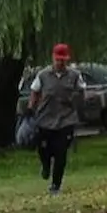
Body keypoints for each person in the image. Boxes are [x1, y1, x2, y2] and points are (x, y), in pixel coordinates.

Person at [27, 43, 86, 195]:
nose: (60, 63)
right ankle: (46, 166)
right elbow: (35, 91)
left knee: (61, 153)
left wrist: (79, 106)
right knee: (43, 148)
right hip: (45, 118)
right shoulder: (43, 75)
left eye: (63, 60)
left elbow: (81, 91)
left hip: (65, 120)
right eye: (58, 60)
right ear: (53, 58)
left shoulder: (74, 75)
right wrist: (30, 108)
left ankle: (56, 185)